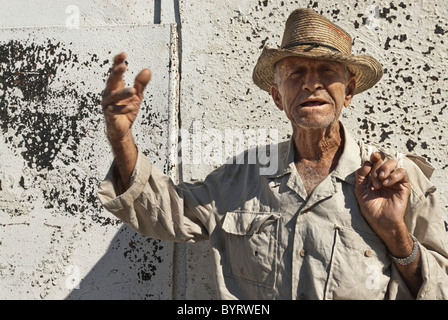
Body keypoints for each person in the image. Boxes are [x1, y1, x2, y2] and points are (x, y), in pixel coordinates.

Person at [98, 8, 448, 299]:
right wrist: (121, 138)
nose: (312, 83)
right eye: (297, 72)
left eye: (327, 71)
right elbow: (164, 212)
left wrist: (396, 235)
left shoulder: (396, 180)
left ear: (349, 91)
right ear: (278, 96)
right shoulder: (244, 178)